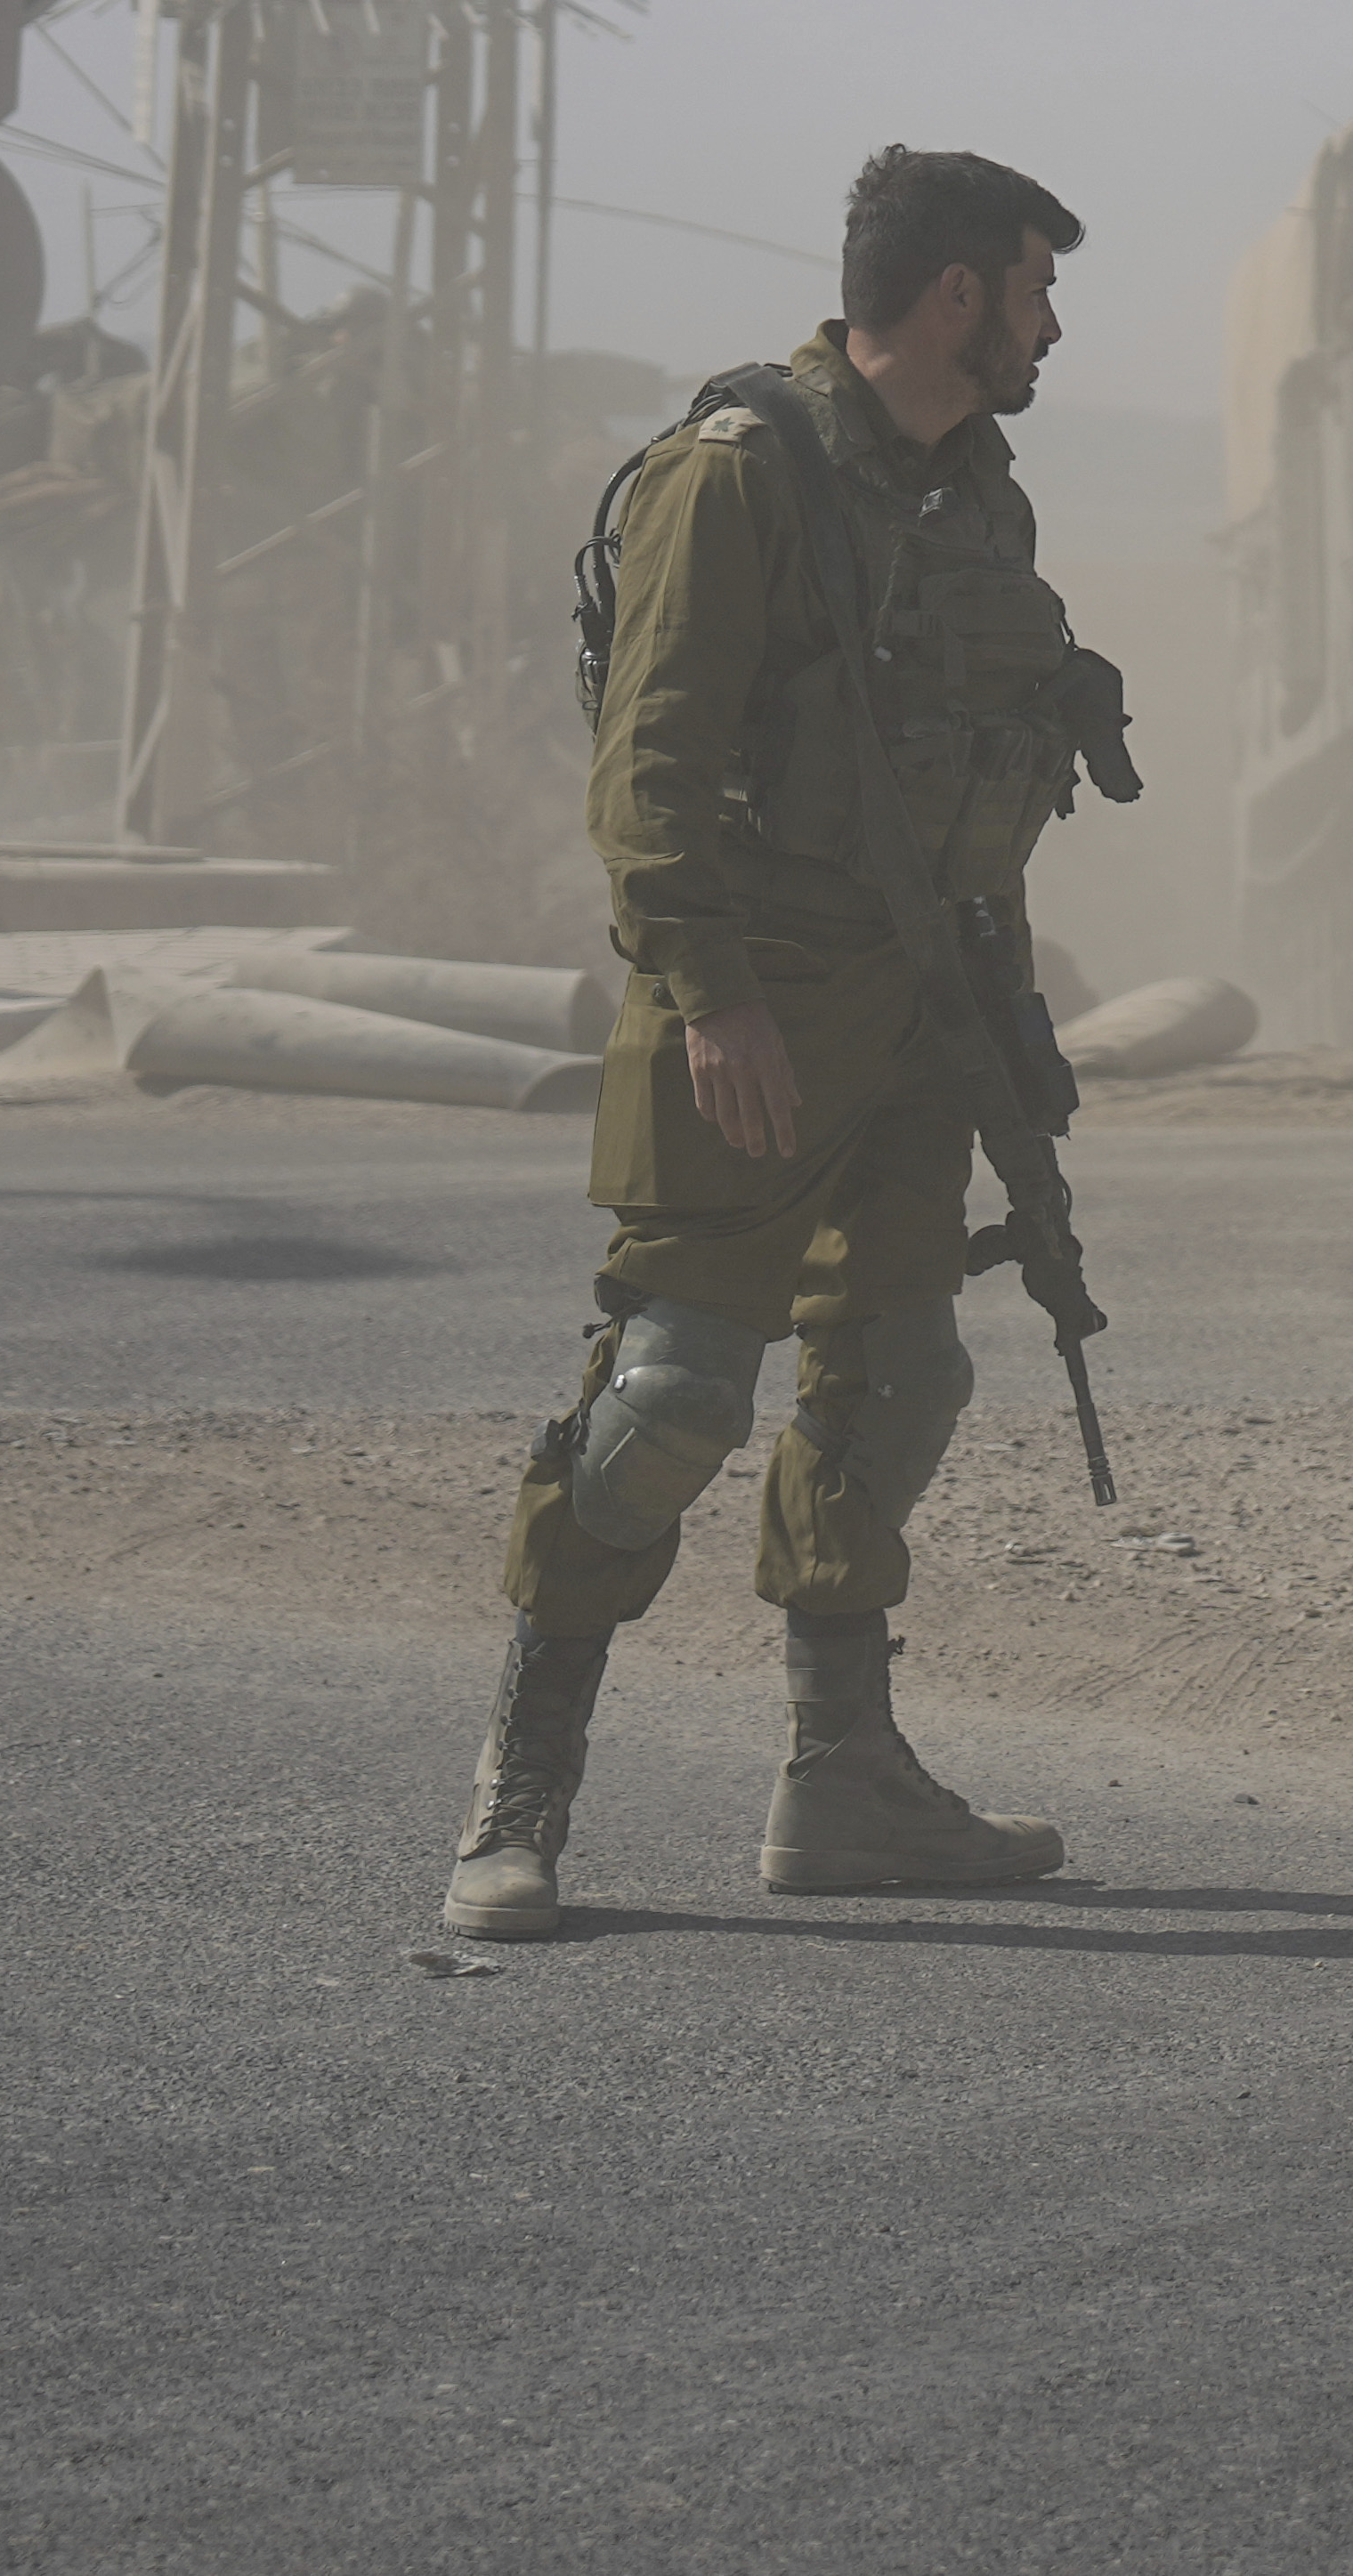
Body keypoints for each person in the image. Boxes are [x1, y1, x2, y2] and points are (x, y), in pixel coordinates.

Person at [446, 143, 1108, 1940]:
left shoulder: (976, 497)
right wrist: (715, 996)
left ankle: (843, 1783)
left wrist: (1006, 1023)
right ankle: (518, 1804)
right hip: (752, 1016)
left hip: (918, 1025)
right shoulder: (735, 479)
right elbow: (647, 768)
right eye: (1036, 292)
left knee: (897, 1384)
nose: (1053, 328)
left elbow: (976, 776)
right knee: (664, 1402)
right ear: (956, 298)